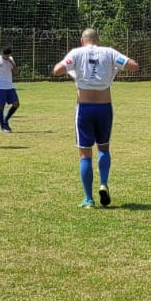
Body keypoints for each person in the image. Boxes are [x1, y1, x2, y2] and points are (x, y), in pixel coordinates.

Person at [53, 27, 140, 207]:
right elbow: (133, 65)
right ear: (98, 40)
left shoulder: (77, 53)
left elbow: (58, 70)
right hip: (104, 108)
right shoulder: (109, 52)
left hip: (84, 108)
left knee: (85, 153)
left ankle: (88, 199)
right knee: (104, 148)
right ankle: (104, 183)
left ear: (82, 40)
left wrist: (74, 68)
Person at [0, 45, 19, 132]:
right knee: (1, 107)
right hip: (0, 87)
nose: (6, 57)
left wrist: (12, 63)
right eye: (5, 55)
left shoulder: (11, 59)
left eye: (8, 55)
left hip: (9, 86)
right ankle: (3, 127)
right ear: (2, 53)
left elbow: (16, 72)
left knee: (16, 104)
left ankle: (6, 120)